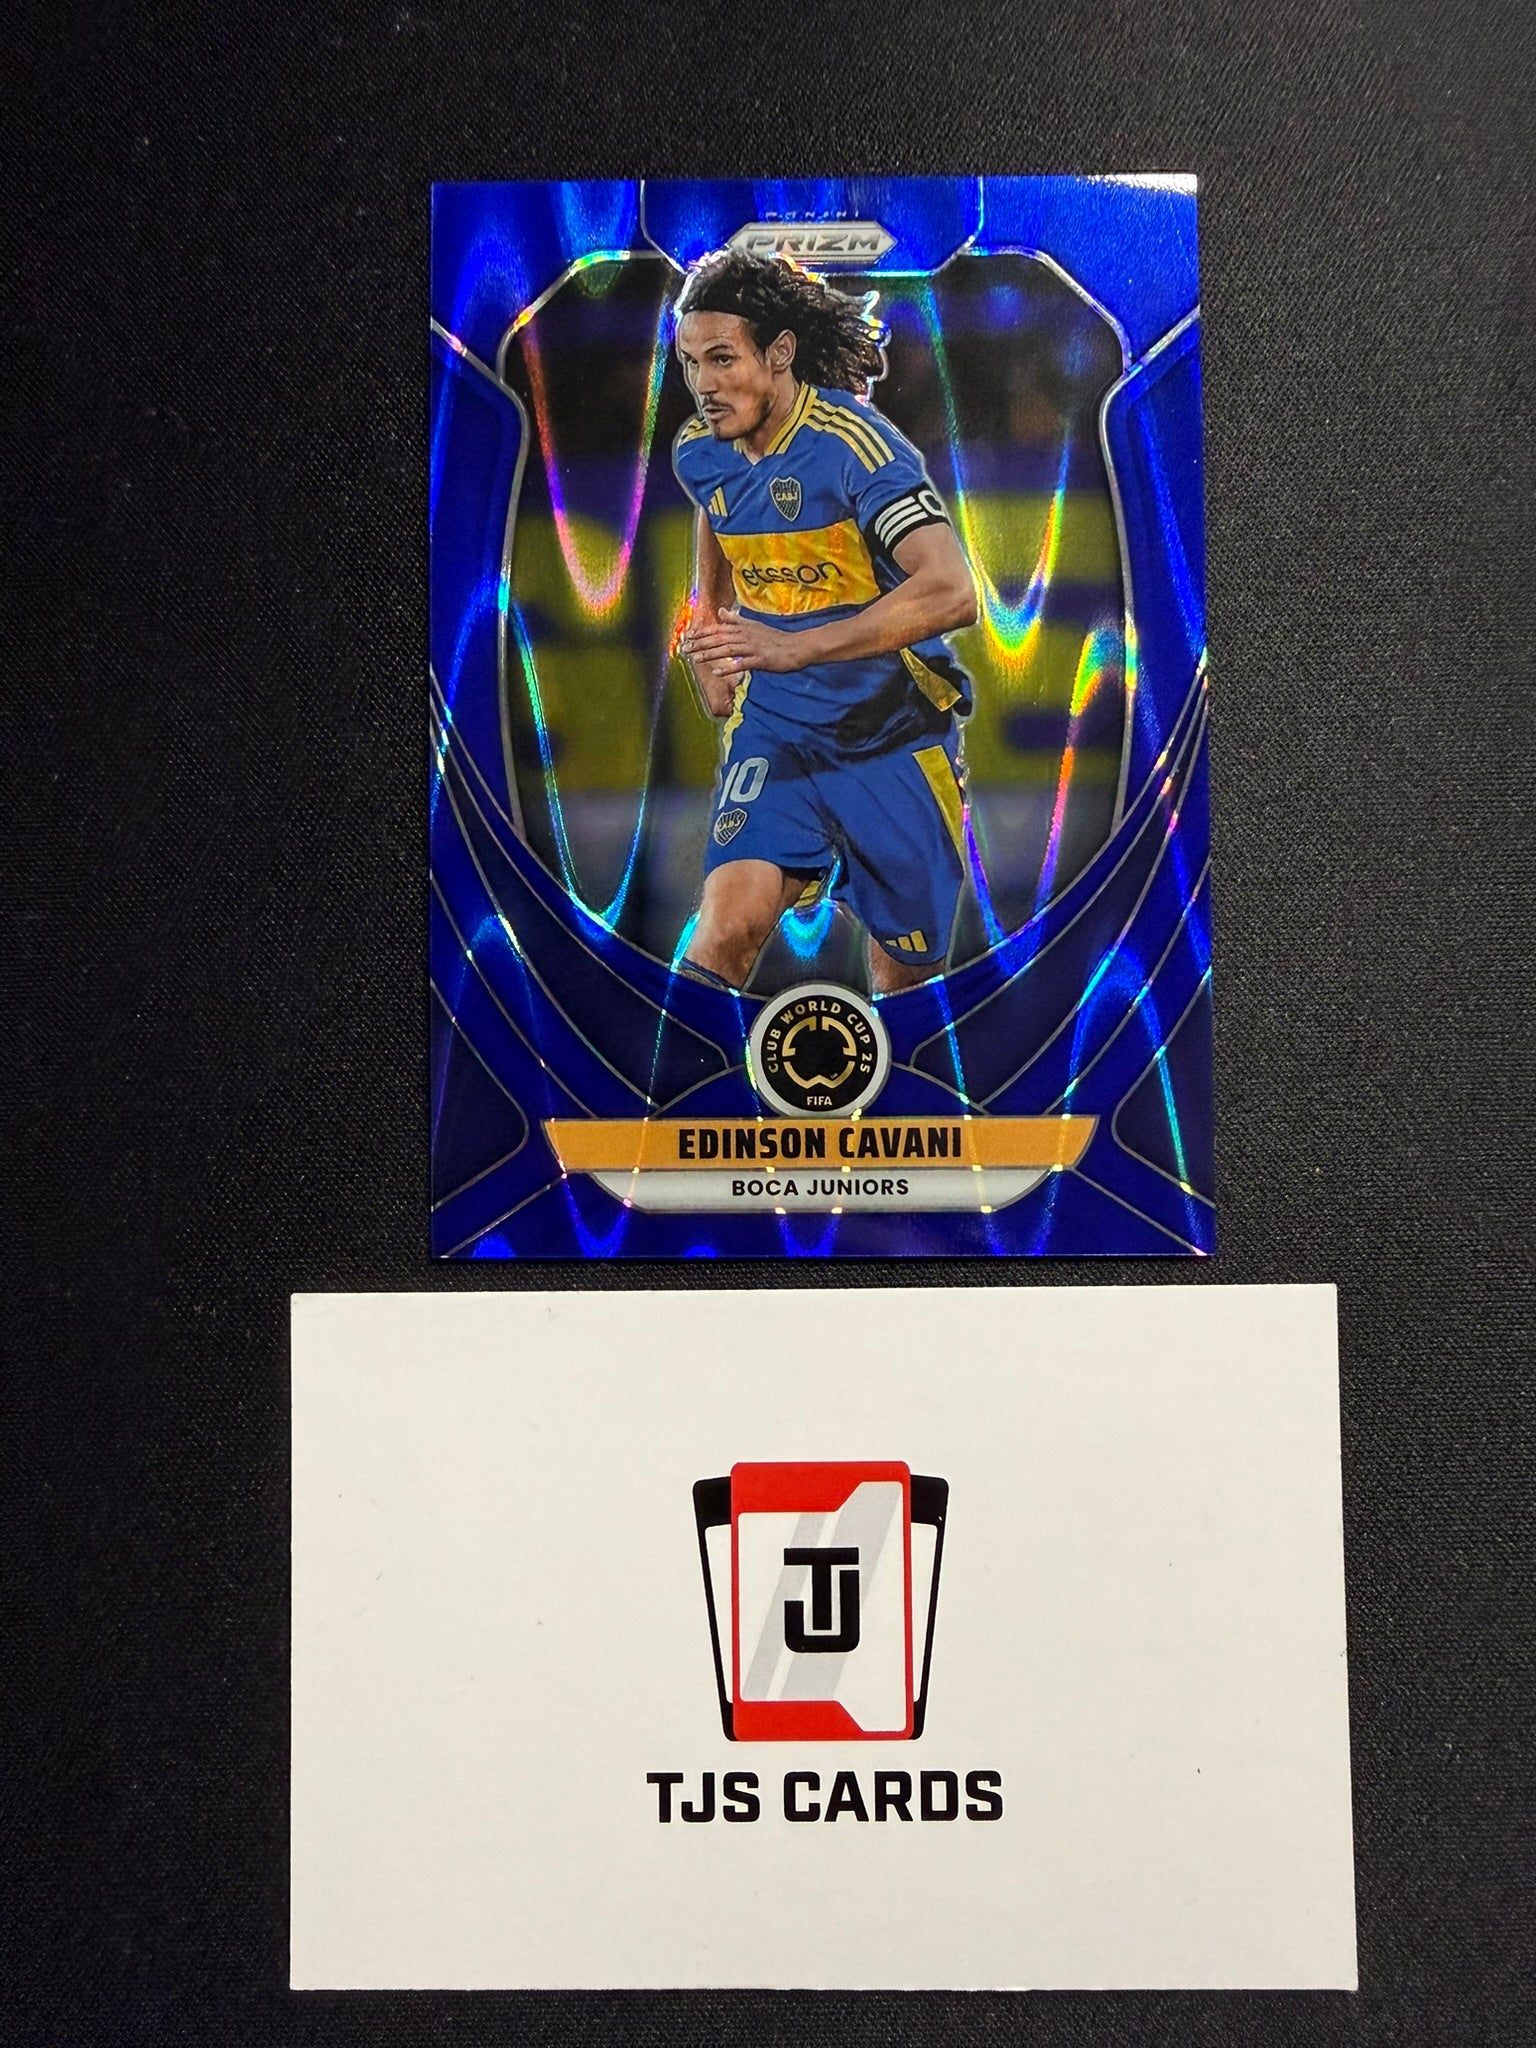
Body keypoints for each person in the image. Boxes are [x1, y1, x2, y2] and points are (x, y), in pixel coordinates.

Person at [671, 249, 977, 995]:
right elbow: (718, 510)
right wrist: (708, 619)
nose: (704, 385)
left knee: (907, 982)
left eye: (721, 359)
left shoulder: (856, 449)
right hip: (776, 734)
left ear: (779, 353)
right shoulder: (701, 449)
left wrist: (797, 647)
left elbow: (951, 591)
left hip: (891, 739)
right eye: (689, 363)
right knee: (723, 931)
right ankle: (668, 1074)